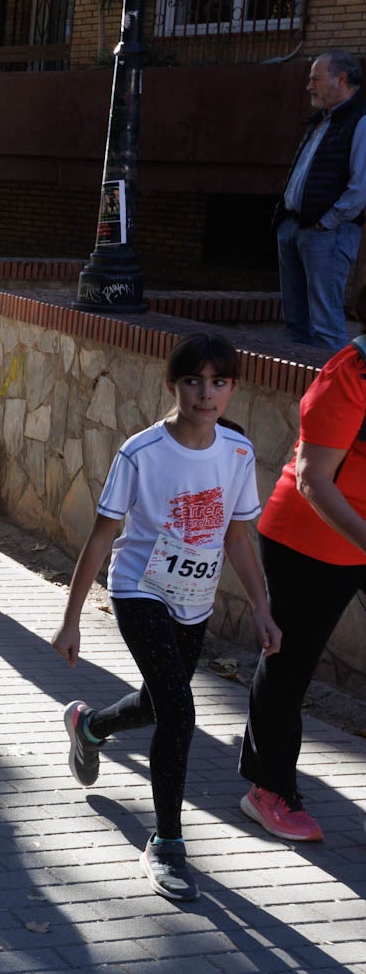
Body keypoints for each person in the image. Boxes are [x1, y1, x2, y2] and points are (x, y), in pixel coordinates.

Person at [53, 333, 281, 901]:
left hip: (194, 600)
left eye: (219, 382)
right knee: (180, 712)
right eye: (193, 381)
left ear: (232, 388)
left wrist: (260, 607)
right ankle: (168, 844)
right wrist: (71, 617)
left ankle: (90, 726)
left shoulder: (237, 453)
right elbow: (103, 535)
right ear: (173, 384)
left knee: (159, 702)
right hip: (140, 590)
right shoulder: (142, 453)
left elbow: (235, 534)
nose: (207, 394)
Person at [238, 312, 366, 842]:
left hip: (356, 538)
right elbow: (315, 480)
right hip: (306, 537)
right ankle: (268, 790)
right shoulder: (351, 374)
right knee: (289, 663)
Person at [274, 50, 366, 350]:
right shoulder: (323, 119)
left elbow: (360, 188)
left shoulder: (360, 120)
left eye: (315, 78)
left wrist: (326, 224)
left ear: (340, 79)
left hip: (327, 233)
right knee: (296, 320)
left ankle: (330, 393)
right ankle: (301, 389)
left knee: (325, 324)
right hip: (294, 227)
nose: (309, 86)